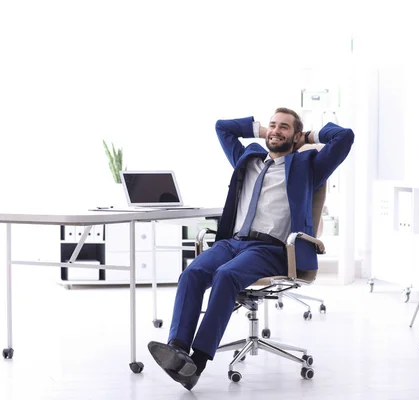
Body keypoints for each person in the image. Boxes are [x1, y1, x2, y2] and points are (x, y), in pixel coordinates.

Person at [147, 107, 354, 390]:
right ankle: (178, 348)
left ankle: (197, 362)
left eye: (284, 127)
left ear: (295, 136)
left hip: (269, 249)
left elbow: (344, 137)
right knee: (192, 273)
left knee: (226, 276)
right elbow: (223, 127)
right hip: (232, 242)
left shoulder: (308, 165)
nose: (276, 130)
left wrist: (308, 137)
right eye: (273, 125)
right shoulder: (248, 159)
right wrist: (260, 130)